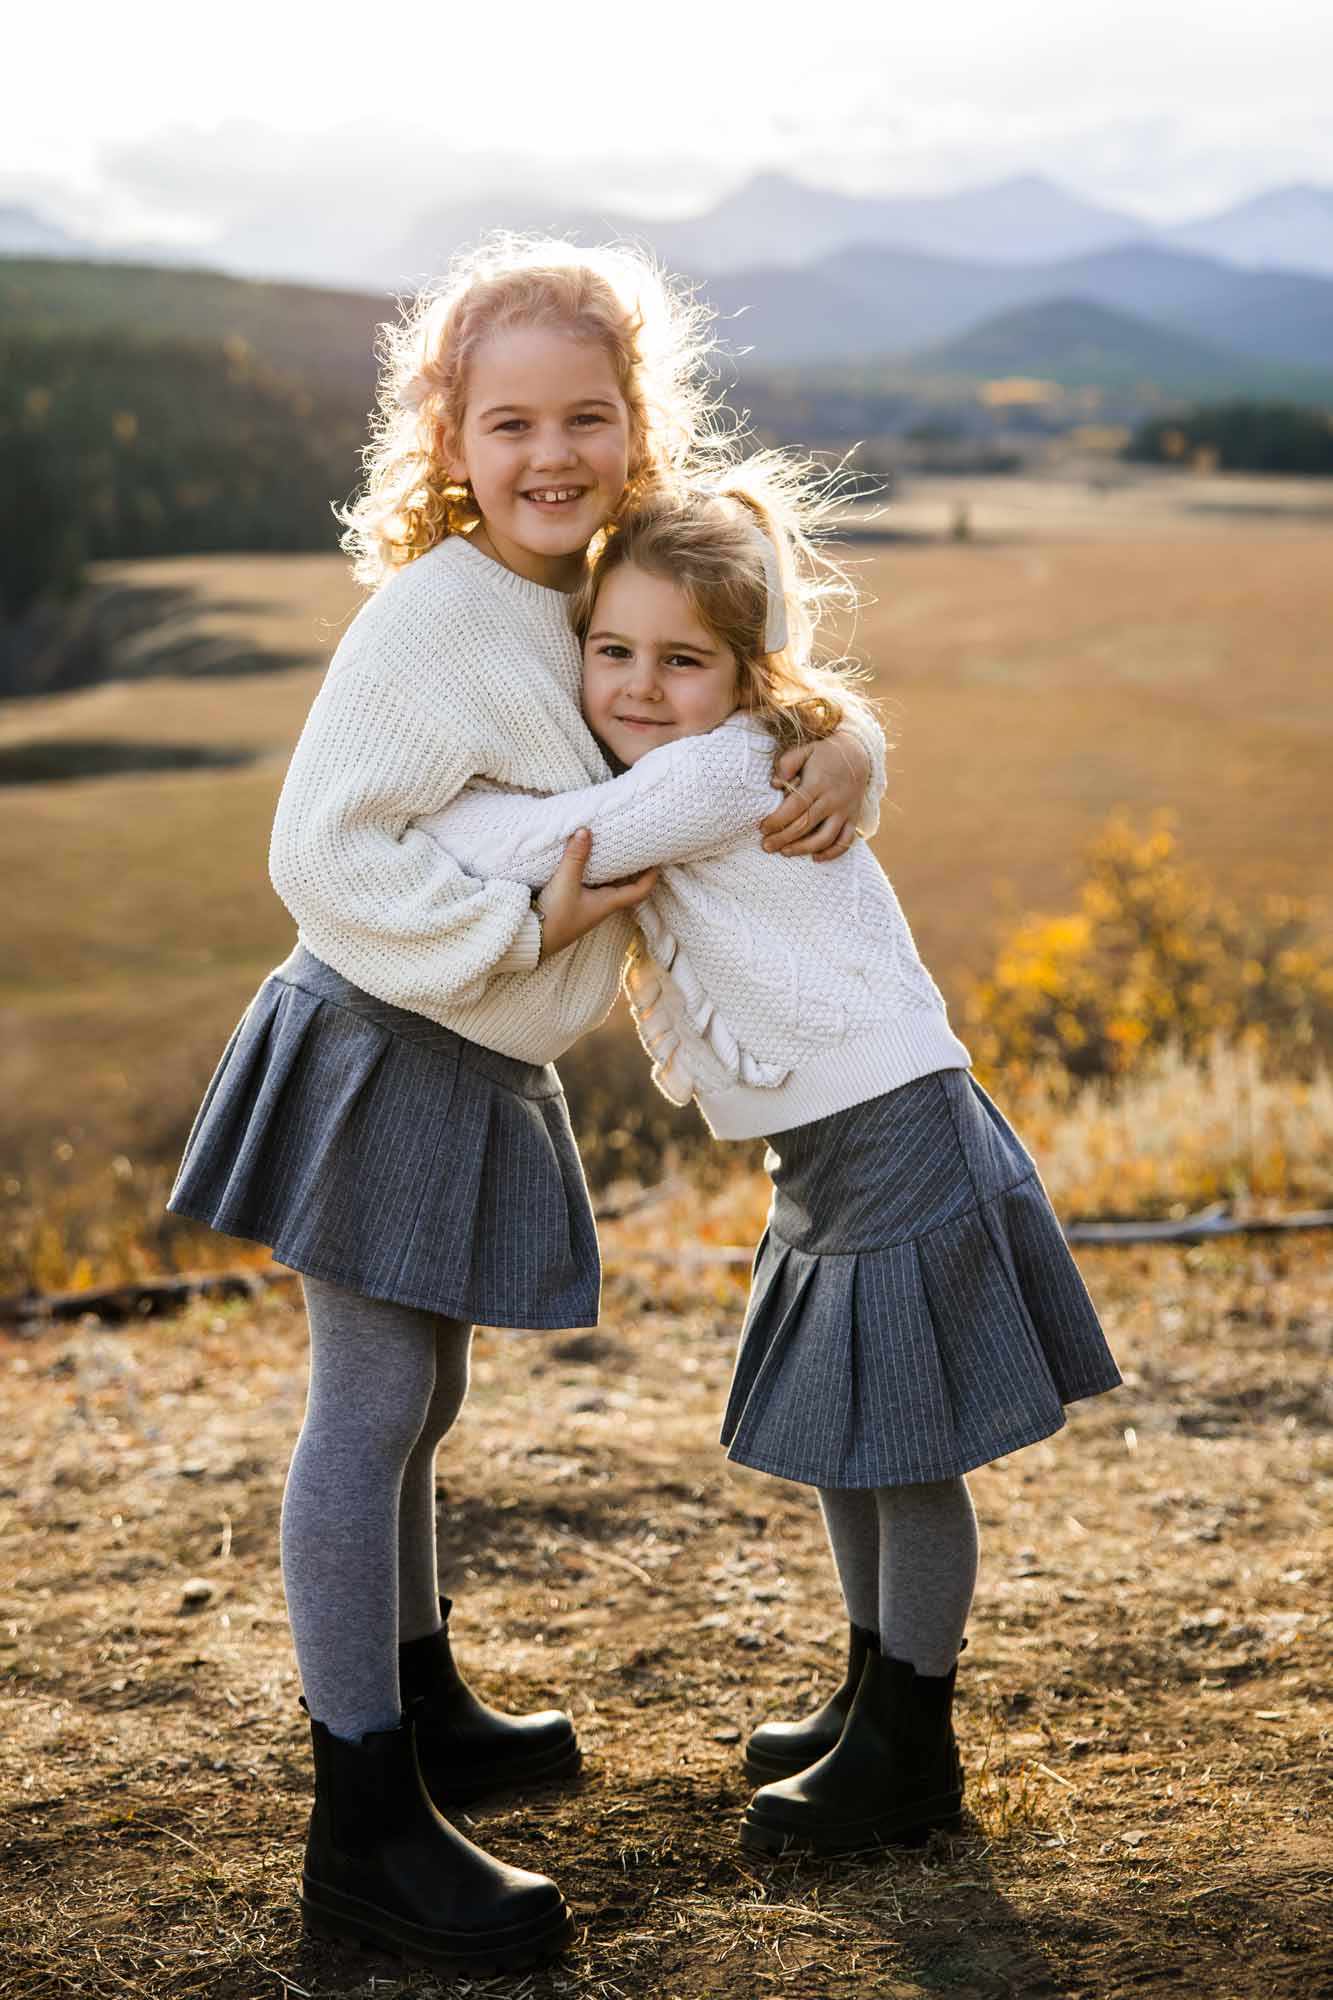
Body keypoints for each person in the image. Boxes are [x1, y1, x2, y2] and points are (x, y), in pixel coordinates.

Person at [165, 236, 881, 1972]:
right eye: (508, 424)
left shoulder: (606, 580)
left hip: (467, 1054)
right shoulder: (432, 617)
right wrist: (524, 920)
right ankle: (365, 1825)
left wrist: (843, 735)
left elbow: (737, 670)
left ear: (639, 427)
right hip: (376, 1036)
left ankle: (423, 1704)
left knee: (428, 1399)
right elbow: (322, 850)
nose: (548, 455)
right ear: (447, 443)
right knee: (372, 1403)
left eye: (585, 416)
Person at [420, 457, 1123, 1862]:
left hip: (892, 1129)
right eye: (607, 649)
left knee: (905, 1454)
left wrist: (417, 804)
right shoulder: (717, 751)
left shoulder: (724, 767)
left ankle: (911, 1746)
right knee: (851, 1440)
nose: (631, 682)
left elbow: (543, 840)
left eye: (679, 660)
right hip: (832, 1146)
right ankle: (871, 1690)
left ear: (747, 671)